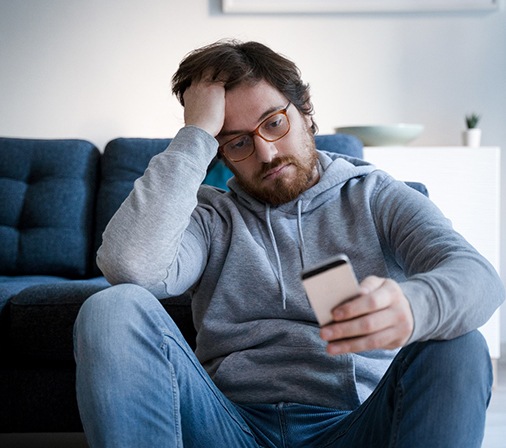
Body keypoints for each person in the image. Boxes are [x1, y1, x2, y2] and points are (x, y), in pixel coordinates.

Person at [74, 40, 504, 448]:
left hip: (354, 425)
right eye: (238, 142)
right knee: (112, 308)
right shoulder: (209, 217)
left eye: (274, 123)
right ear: (219, 154)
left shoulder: (374, 195)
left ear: (306, 113)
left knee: (462, 343)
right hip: (229, 427)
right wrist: (196, 134)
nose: (265, 153)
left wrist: (413, 307)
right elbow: (131, 266)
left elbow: (479, 277)